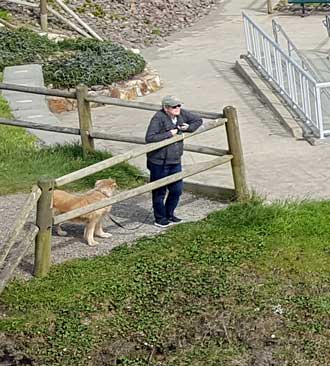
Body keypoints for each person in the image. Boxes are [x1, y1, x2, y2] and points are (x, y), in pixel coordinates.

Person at [145, 95, 202, 228]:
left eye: (178, 106)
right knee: (159, 191)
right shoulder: (158, 118)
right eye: (174, 106)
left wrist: (187, 127)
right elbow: (150, 137)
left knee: (177, 190)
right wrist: (169, 134)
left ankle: (169, 213)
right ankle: (160, 218)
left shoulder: (181, 114)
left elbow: (198, 120)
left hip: (175, 159)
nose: (178, 108)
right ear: (166, 108)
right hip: (159, 161)